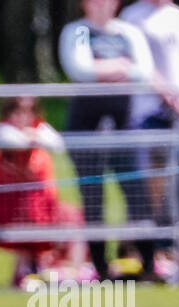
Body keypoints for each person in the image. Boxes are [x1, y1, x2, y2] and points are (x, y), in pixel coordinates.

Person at [59, 0, 156, 280]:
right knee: (93, 198)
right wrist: (121, 67)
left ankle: (146, 264)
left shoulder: (128, 32)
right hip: (85, 128)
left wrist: (103, 69)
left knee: (138, 195)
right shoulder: (77, 32)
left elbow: (144, 72)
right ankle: (101, 268)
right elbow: (80, 70)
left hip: (125, 126)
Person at [120, 0, 179, 279]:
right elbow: (136, 63)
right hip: (148, 115)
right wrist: (167, 93)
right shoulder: (133, 16)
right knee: (149, 190)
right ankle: (150, 257)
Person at [0, 98, 88, 287]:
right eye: (18, 112)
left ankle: (72, 270)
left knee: (74, 218)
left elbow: (57, 144)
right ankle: (27, 271)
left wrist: (35, 135)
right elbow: (11, 140)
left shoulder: (39, 129)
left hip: (39, 205)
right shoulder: (4, 131)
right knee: (29, 217)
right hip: (8, 208)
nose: (23, 117)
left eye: (29, 112)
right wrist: (30, 137)